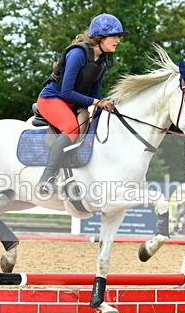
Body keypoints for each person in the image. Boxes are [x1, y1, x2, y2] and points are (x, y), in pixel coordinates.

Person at [35, 13, 129, 195]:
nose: (118, 40)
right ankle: (45, 179)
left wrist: (105, 105)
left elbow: (94, 93)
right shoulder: (78, 54)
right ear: (100, 38)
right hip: (51, 99)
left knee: (93, 122)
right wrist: (97, 102)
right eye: (115, 36)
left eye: (118, 36)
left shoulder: (102, 61)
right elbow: (66, 92)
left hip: (72, 103)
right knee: (71, 128)